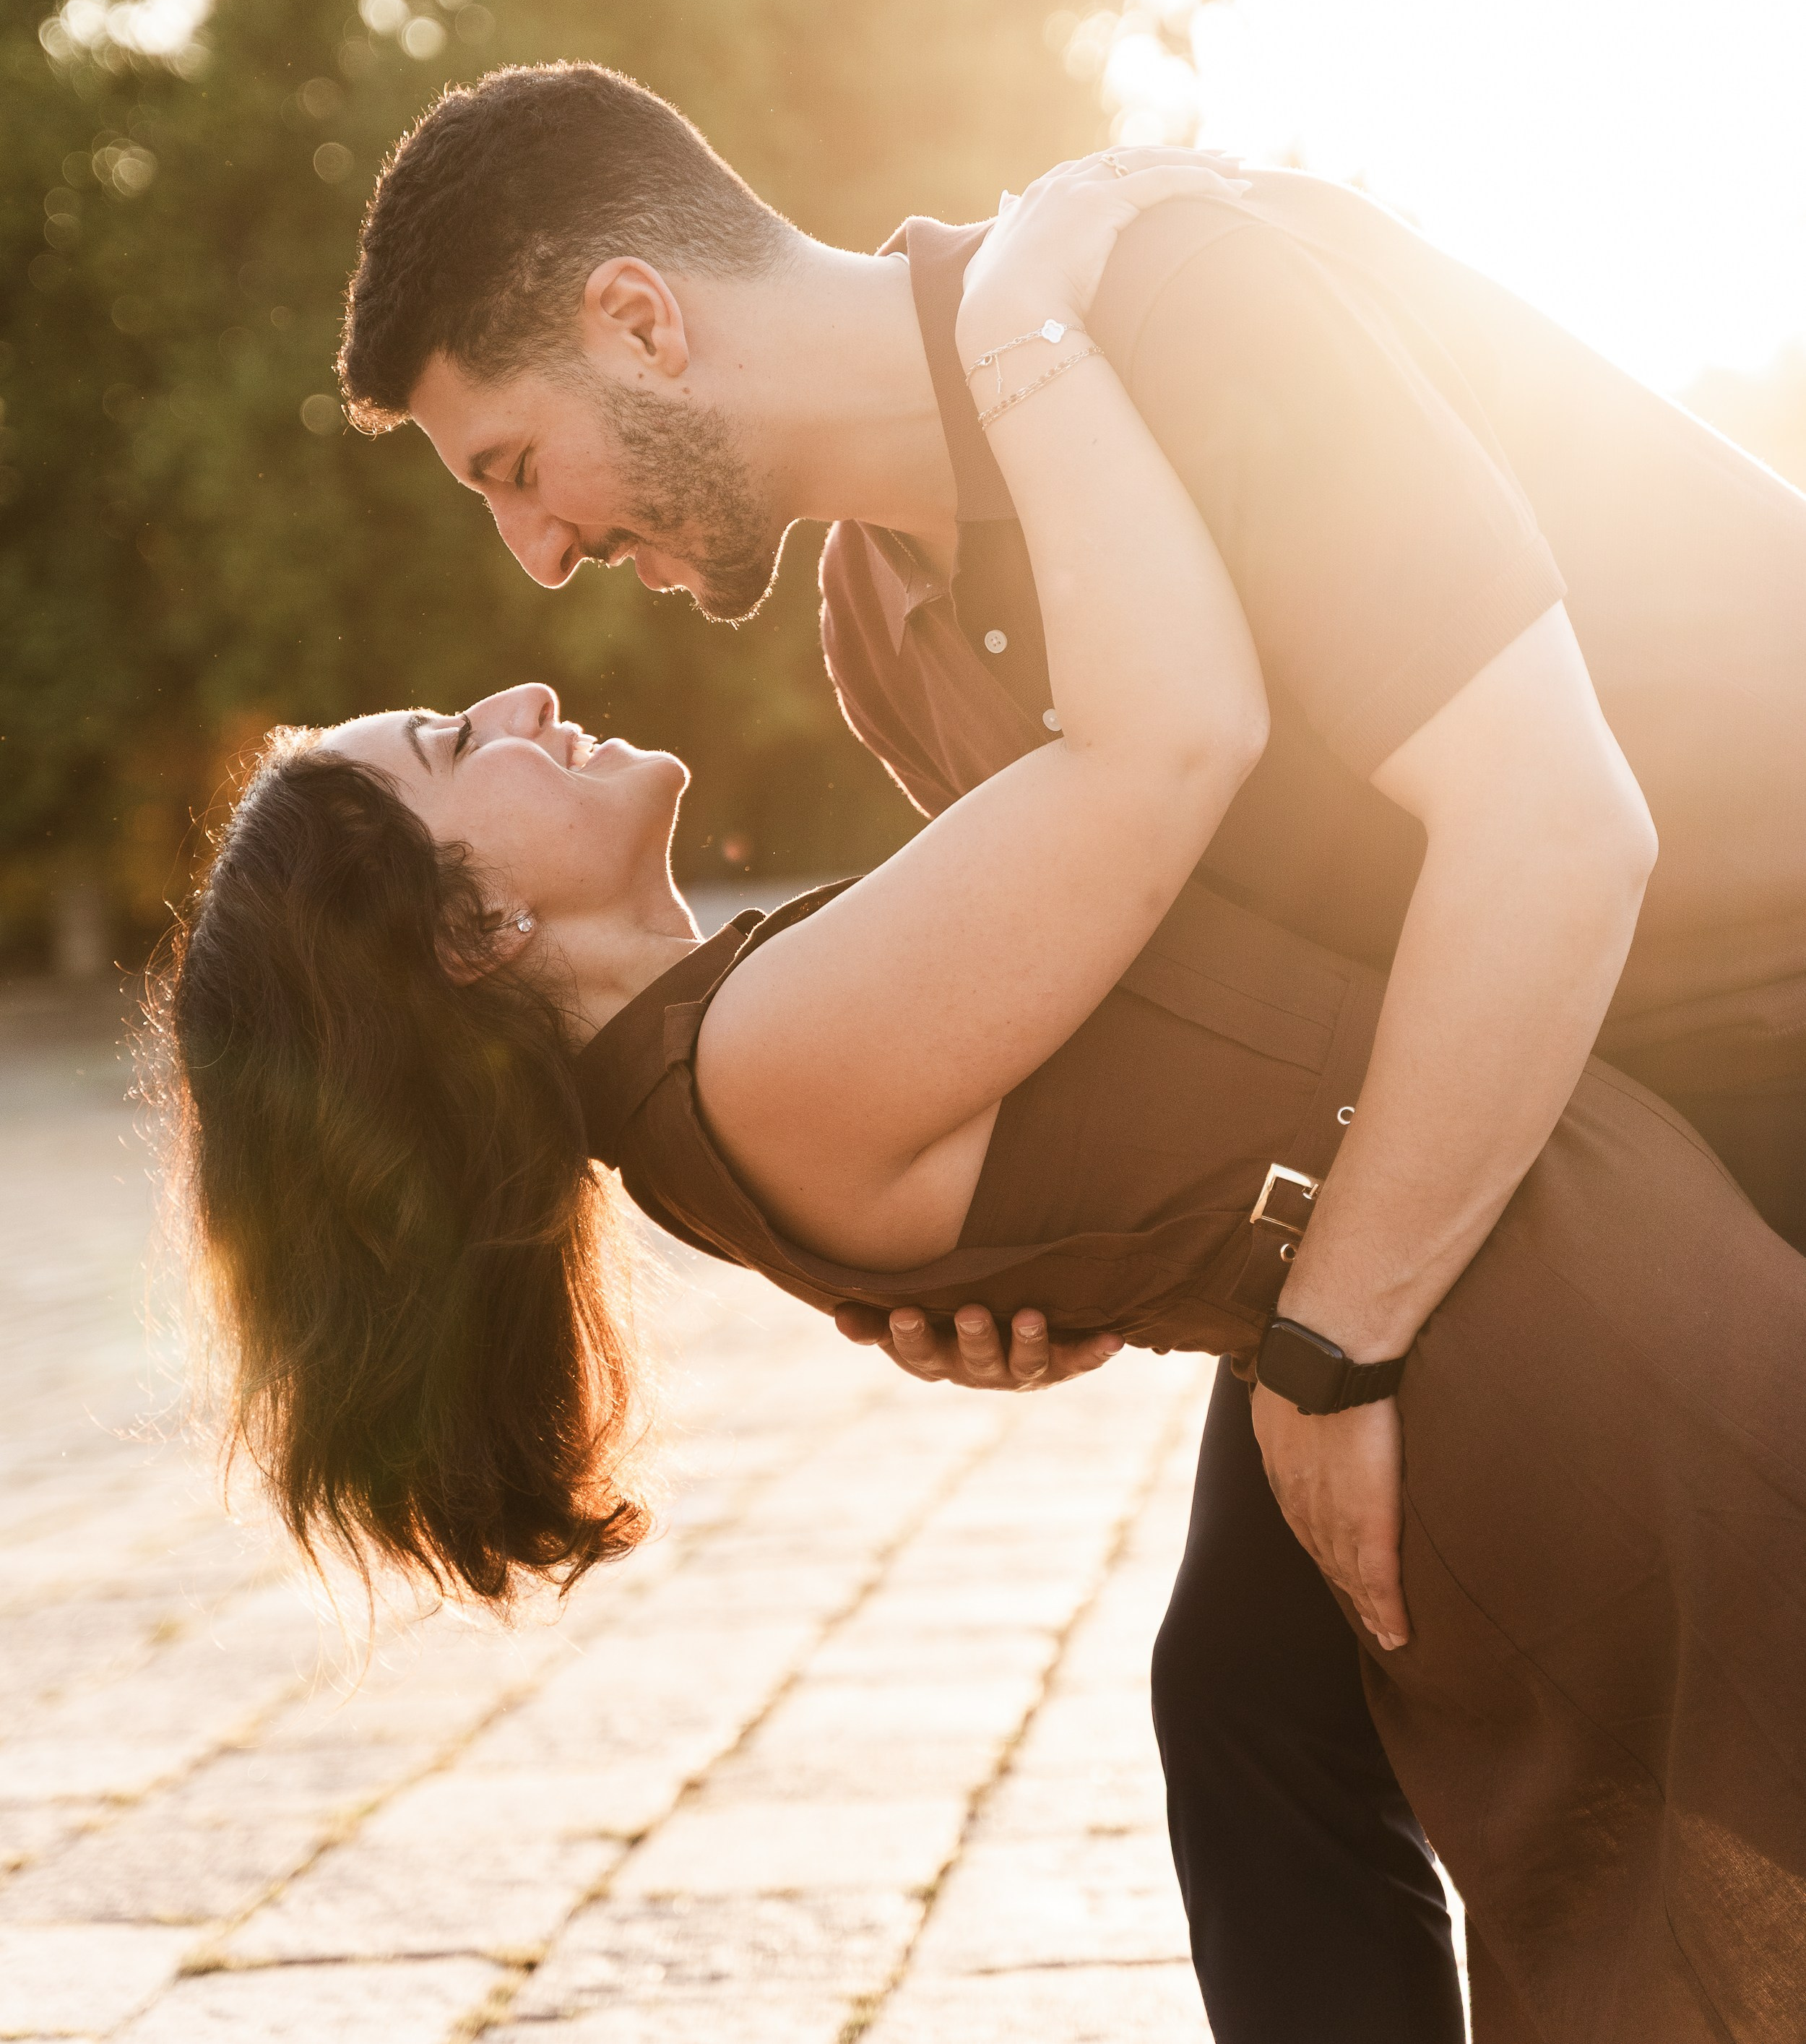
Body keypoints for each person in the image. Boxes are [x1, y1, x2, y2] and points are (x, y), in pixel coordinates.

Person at [164, 155, 1805, 2042]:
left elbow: (1520, 840)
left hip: (1709, 1054)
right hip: (1529, 1193)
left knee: (1279, 1713)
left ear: (641, 320)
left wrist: (1213, 1303)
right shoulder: (877, 658)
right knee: (1276, 1722)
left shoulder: (1178, 305)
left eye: (518, 465)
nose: (535, 570)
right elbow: (1159, 860)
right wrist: (1139, 1277)